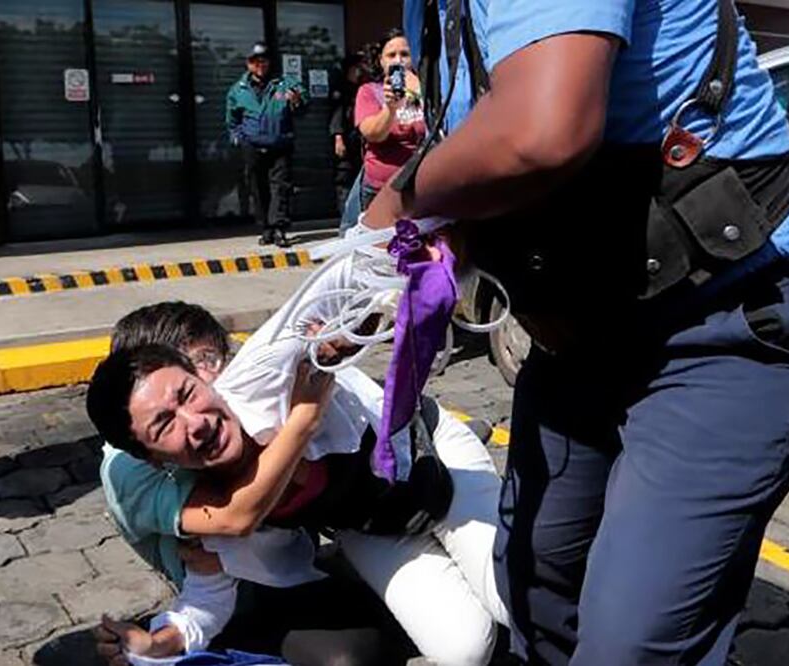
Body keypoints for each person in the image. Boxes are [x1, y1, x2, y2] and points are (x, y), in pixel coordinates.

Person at [363, 0, 789, 664]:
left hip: (722, 320)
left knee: (632, 645)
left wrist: (393, 207)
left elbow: (538, 132)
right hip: (578, 335)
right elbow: (480, 147)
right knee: (535, 586)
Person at [90, 297, 507, 665]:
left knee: (508, 595)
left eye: (207, 365)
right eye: (164, 423)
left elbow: (344, 293)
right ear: (154, 456)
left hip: (432, 462)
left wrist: (341, 336)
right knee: (464, 650)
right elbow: (209, 591)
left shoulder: (275, 377)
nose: (196, 420)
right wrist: (157, 643)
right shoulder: (208, 500)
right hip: (372, 525)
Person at [227, 42, 306, 248]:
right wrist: (238, 137)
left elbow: (304, 108)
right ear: (248, 64)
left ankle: (279, 228)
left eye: (263, 60)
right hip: (252, 146)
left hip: (280, 143)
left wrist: (297, 101)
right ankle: (266, 228)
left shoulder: (285, 83)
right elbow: (232, 119)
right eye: (255, 61)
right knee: (258, 186)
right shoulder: (238, 89)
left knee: (280, 187)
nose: (260, 65)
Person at [355, 29, 427, 211]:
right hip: (380, 188)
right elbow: (373, 134)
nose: (398, 60)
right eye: (391, 55)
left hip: (421, 187)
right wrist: (390, 108)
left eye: (404, 54)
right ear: (381, 60)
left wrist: (420, 92)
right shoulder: (369, 91)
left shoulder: (425, 89)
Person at [330, 52, 368, 220]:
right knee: (344, 179)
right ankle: (346, 218)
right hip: (345, 140)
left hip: (359, 142)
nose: (359, 72)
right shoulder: (341, 90)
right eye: (356, 69)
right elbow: (336, 115)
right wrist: (338, 137)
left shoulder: (361, 89)